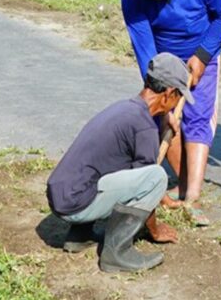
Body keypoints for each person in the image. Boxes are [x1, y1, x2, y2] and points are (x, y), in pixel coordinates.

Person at [121, 0, 221, 222]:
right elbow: (144, 48)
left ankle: (193, 199)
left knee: (197, 116)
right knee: (167, 117)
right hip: (162, 59)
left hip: (201, 52)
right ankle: (183, 184)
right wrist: (160, 86)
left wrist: (203, 54)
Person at [47, 52, 186, 273]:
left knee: (114, 163)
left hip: (62, 194)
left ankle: (79, 235)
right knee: (156, 177)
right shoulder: (143, 127)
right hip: (76, 204)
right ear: (169, 93)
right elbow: (146, 183)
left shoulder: (126, 109)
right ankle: (117, 253)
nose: (178, 103)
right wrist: (155, 230)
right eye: (179, 97)